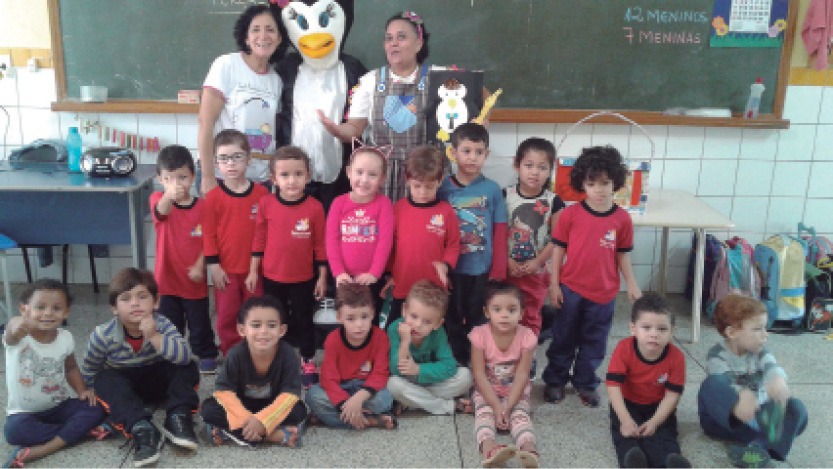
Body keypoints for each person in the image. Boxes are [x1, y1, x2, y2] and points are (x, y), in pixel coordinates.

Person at [542, 145, 641, 408]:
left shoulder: (622, 220)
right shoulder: (570, 215)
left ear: (616, 182)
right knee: (563, 337)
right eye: (592, 183)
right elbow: (558, 250)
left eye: (605, 183)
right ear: (582, 184)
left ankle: (585, 382)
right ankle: (555, 380)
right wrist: (554, 285)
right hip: (570, 289)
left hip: (604, 294)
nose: (599, 190)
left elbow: (622, 255)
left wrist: (631, 283)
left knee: (595, 341)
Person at [80, 268, 200, 468]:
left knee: (187, 366)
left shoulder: (162, 324)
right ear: (114, 308)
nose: (135, 303)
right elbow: (91, 367)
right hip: (125, 387)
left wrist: (154, 336)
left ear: (156, 302)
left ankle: (178, 417)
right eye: (125, 299)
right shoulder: (102, 334)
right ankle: (142, 427)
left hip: (158, 380)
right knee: (104, 378)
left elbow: (184, 356)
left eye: (142, 297)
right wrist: (88, 388)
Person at [318, 11, 441, 202]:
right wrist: (337, 130)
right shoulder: (370, 81)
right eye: (389, 38)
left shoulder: (439, 78)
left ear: (419, 43)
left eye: (401, 37)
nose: (393, 43)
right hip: (381, 177)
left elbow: (480, 94)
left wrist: (480, 121)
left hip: (424, 178)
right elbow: (355, 129)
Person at [273, 0, 367, 213]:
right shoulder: (286, 69)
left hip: (340, 175)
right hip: (293, 176)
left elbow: (362, 120)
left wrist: (340, 130)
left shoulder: (353, 69)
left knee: (334, 224)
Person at [3, 279, 107, 468]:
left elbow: (71, 367)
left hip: (60, 406)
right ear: (24, 309)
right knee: (14, 431)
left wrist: (82, 391)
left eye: (56, 308)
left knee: (97, 407)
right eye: (40, 307)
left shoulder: (65, 338)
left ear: (66, 312)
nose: (48, 313)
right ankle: (78, 433)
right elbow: (11, 331)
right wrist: (14, 324)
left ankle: (47, 447)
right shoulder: (19, 337)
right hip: (24, 413)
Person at [698, 294, 808, 468]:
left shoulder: (760, 352)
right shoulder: (717, 354)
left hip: (758, 422)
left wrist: (778, 380)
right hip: (725, 421)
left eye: (765, 328)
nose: (765, 335)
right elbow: (723, 381)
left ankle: (758, 449)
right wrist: (742, 396)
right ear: (732, 332)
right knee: (712, 384)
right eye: (757, 329)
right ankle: (763, 444)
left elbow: (772, 367)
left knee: (797, 408)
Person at [249, 145, 327, 388]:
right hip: (272, 276)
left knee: (304, 320)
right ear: (274, 178)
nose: (292, 181)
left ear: (308, 176)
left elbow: (320, 245)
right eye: (285, 175)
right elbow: (259, 239)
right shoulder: (266, 204)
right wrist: (253, 270)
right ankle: (276, 359)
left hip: (303, 277)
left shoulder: (314, 207)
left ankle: (308, 360)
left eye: (298, 174)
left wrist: (322, 277)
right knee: (273, 319)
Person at [437, 123, 508, 366]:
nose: (472, 157)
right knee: (453, 316)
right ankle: (457, 361)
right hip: (453, 269)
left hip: (481, 270)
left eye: (479, 152)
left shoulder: (492, 189)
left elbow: (500, 230)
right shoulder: (442, 188)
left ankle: (477, 361)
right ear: (453, 152)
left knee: (478, 317)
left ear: (486, 155)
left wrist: (498, 270)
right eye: (466, 151)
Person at [198, 4, 285, 195]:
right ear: (246, 37)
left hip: (260, 180)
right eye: (255, 30)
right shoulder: (227, 65)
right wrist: (208, 176)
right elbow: (205, 122)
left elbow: (273, 130)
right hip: (224, 178)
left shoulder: (276, 80)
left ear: (279, 38)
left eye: (270, 30)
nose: (263, 36)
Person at [200, 296, 308, 448]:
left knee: (299, 410)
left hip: (271, 405)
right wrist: (249, 420)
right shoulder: (235, 354)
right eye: (256, 325)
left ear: (282, 330)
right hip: (242, 405)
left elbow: (290, 394)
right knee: (209, 409)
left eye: (271, 325)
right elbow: (224, 391)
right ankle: (273, 436)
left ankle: (230, 433)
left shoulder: (287, 354)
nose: (263, 331)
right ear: (242, 330)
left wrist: (262, 420)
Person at [151, 145, 219, 374]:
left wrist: (200, 265)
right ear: (160, 180)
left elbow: (208, 241)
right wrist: (169, 196)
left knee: (199, 322)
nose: (176, 184)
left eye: (182, 177)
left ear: (193, 176)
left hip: (194, 281)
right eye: (168, 179)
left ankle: (206, 354)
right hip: (166, 280)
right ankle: (173, 354)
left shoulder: (203, 207)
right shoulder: (158, 199)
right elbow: (161, 211)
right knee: (170, 323)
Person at [204, 129, 270, 355]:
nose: (230, 163)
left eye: (236, 157)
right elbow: (208, 235)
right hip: (226, 271)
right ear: (216, 163)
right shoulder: (213, 197)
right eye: (224, 158)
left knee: (255, 313)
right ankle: (231, 353)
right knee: (227, 314)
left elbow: (265, 233)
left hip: (254, 270)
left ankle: (255, 350)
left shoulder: (262, 194)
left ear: (248, 159)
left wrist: (258, 268)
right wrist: (214, 268)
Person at [606, 293, 691, 468]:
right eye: (646, 327)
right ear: (633, 329)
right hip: (627, 403)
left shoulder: (677, 357)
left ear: (672, 332)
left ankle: (670, 459)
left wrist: (655, 421)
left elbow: (672, 396)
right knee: (625, 433)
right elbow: (613, 386)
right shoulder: (623, 349)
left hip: (658, 406)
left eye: (662, 329)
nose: (654, 334)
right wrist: (625, 419)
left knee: (664, 432)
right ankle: (632, 457)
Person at [383, 145, 460, 326]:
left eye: (429, 187)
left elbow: (453, 244)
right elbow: (390, 246)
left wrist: (446, 265)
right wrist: (389, 274)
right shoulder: (398, 209)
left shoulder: (446, 211)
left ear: (440, 180)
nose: (423, 192)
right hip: (403, 287)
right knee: (395, 331)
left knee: (432, 333)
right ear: (407, 179)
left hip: (433, 290)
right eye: (417, 186)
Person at [305, 283, 396, 430]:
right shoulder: (333, 340)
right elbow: (328, 379)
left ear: (372, 314)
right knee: (312, 395)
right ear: (339, 318)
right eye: (351, 319)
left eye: (364, 317)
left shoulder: (381, 337)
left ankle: (334, 418)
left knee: (385, 399)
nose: (359, 324)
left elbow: (380, 373)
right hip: (341, 387)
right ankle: (370, 421)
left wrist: (358, 399)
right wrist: (344, 403)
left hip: (366, 389)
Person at [469, 281, 538, 468]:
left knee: (521, 417)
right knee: (484, 417)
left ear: (521, 313)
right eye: (497, 309)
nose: (504, 315)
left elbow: (522, 375)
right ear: (486, 312)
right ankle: (489, 448)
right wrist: (496, 406)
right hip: (487, 391)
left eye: (511, 310)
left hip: (515, 391)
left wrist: (508, 407)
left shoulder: (527, 337)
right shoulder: (479, 335)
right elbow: (479, 374)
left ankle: (529, 449)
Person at [325, 143, 394, 323]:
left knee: (370, 319)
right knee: (347, 319)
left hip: (370, 279)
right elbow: (331, 240)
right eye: (359, 172)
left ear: (382, 178)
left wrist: (374, 273)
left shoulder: (384, 204)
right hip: (344, 278)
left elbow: (385, 241)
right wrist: (339, 273)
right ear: (349, 172)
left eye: (372, 175)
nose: (364, 180)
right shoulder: (338, 203)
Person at [505, 138, 564, 338]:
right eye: (528, 165)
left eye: (542, 167)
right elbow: (496, 233)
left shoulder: (554, 201)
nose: (534, 172)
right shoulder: (505, 196)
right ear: (517, 165)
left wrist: (538, 261)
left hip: (537, 272)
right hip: (507, 269)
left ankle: (528, 352)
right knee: (505, 312)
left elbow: (557, 239)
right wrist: (507, 260)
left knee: (530, 313)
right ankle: (505, 350)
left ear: (550, 170)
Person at [386, 280, 472, 415]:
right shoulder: (394, 329)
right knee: (392, 385)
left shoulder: (438, 332)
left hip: (431, 380)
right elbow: (396, 370)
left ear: (438, 324)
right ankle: (447, 406)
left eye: (427, 322)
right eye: (414, 316)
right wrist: (405, 342)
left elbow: (449, 366)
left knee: (465, 377)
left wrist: (418, 369)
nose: (418, 325)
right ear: (404, 310)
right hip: (406, 381)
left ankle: (411, 402)